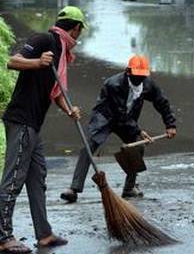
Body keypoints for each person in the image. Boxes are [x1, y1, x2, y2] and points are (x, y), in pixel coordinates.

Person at [0, 6, 86, 254]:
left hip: (34, 124)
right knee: (14, 178)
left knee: (37, 178)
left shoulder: (60, 52)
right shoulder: (45, 40)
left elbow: (54, 91)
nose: (78, 38)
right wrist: (37, 61)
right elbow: (12, 61)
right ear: (76, 28)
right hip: (21, 120)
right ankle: (4, 238)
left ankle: (44, 234)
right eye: (79, 32)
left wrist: (69, 109)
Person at [60, 55, 177, 202]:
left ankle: (129, 188)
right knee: (88, 146)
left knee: (137, 147)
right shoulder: (113, 84)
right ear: (128, 72)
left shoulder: (147, 85)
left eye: (142, 76)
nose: (139, 79)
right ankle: (74, 188)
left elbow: (162, 102)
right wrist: (139, 130)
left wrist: (170, 124)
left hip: (127, 119)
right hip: (105, 117)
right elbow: (119, 112)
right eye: (136, 76)